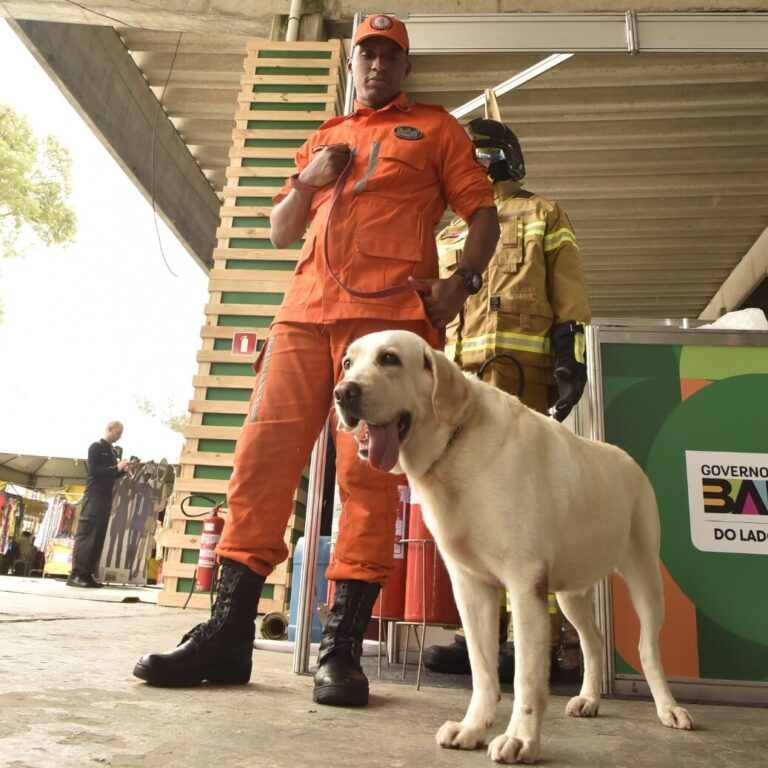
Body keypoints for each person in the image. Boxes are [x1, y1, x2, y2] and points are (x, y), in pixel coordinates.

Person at [133, 14, 500, 706]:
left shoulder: (436, 129)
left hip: (387, 327)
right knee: (260, 461)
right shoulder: (325, 137)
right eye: (367, 53)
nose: (377, 65)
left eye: (391, 55)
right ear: (353, 62)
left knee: (369, 479)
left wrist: (462, 283)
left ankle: (342, 651)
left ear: (405, 68)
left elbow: (482, 213)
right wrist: (308, 177)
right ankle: (226, 635)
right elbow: (280, 231)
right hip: (302, 316)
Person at [424, 116, 592, 680]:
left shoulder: (544, 213)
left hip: (522, 384)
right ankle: (481, 640)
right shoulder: (450, 233)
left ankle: (534, 646)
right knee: (466, 513)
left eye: (483, 156)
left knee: (522, 515)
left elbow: (567, 288)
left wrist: (570, 354)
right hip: (457, 393)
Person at [67, 421, 134, 587]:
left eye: (120, 435)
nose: (119, 437)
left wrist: (122, 470)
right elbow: (94, 472)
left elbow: (110, 475)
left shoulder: (112, 452)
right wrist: (116, 468)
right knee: (87, 533)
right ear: (109, 429)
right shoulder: (96, 447)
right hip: (94, 495)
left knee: (98, 535)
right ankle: (76, 574)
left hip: (106, 496)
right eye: (117, 433)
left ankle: (88, 573)